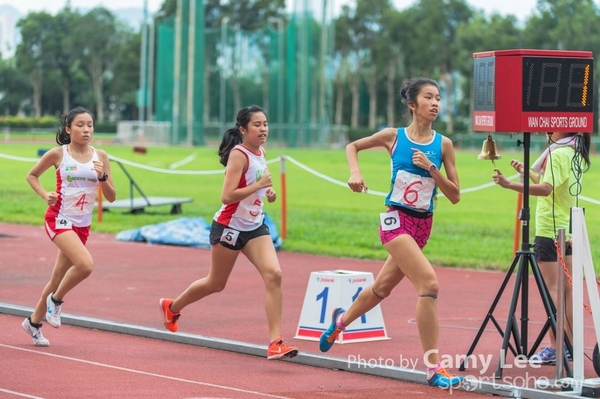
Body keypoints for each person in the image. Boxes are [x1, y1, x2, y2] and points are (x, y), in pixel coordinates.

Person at [318, 77, 464, 389]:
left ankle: (339, 322)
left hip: (423, 225)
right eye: (429, 97)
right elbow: (352, 146)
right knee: (429, 284)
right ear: (413, 105)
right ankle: (434, 368)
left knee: (382, 287)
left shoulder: (444, 145)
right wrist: (355, 172)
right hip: (395, 221)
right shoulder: (392, 137)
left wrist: (431, 168)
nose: (436, 103)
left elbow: (455, 195)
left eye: (438, 97)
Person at [159, 105, 298, 360]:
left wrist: (266, 191)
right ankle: (172, 306)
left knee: (274, 274)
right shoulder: (238, 155)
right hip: (229, 227)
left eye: (265, 124)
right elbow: (226, 195)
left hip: (255, 226)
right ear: (243, 130)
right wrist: (258, 185)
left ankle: (275, 342)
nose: (263, 129)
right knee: (216, 283)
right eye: (257, 125)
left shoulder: (261, 151)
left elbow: (259, 179)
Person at [492, 131, 590, 364]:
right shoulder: (573, 150)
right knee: (566, 290)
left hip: (549, 230)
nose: (547, 127)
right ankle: (568, 346)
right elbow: (554, 187)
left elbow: (547, 189)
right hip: (567, 227)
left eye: (552, 123)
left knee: (553, 291)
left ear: (564, 127)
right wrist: (528, 175)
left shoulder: (558, 154)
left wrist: (510, 185)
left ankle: (557, 348)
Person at [22, 106, 116, 347]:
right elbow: (31, 175)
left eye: (90, 125)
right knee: (85, 265)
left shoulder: (101, 156)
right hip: (59, 219)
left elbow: (112, 196)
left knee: (56, 278)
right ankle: (56, 302)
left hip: (83, 225)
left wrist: (103, 177)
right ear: (68, 129)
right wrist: (45, 195)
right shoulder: (58, 154)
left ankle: (33, 323)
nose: (86, 130)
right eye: (80, 125)